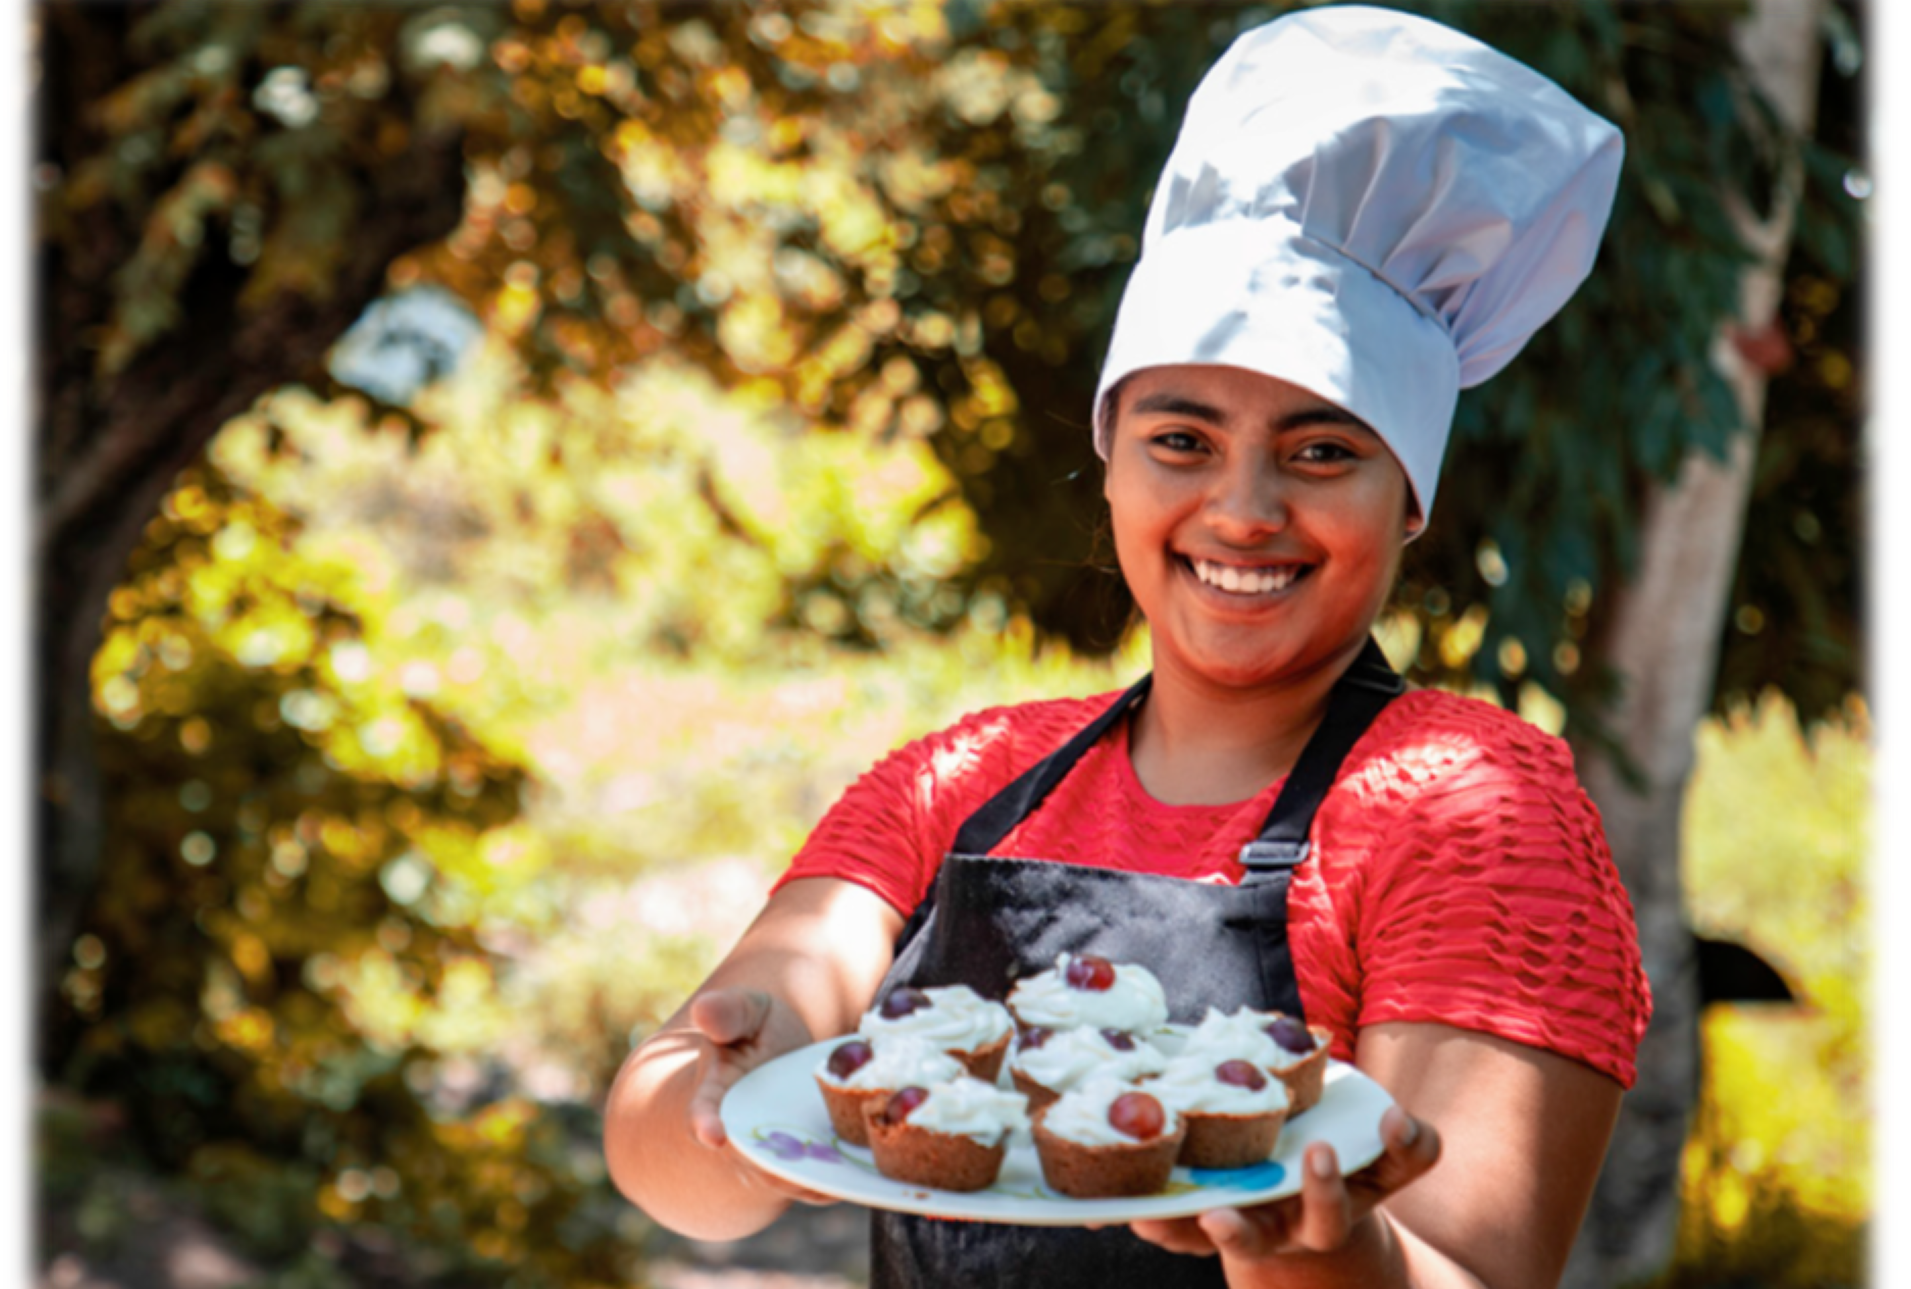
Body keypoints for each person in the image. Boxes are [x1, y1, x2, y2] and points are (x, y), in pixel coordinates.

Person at [604, 8, 1651, 1288]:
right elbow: (673, 1153)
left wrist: (1328, 1251)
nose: (1246, 509)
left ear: (1410, 496)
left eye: (1323, 451)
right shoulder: (963, 781)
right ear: (1110, 465)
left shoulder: (1470, 806)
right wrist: (724, 1102)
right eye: (1182, 439)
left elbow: (1477, 1270)